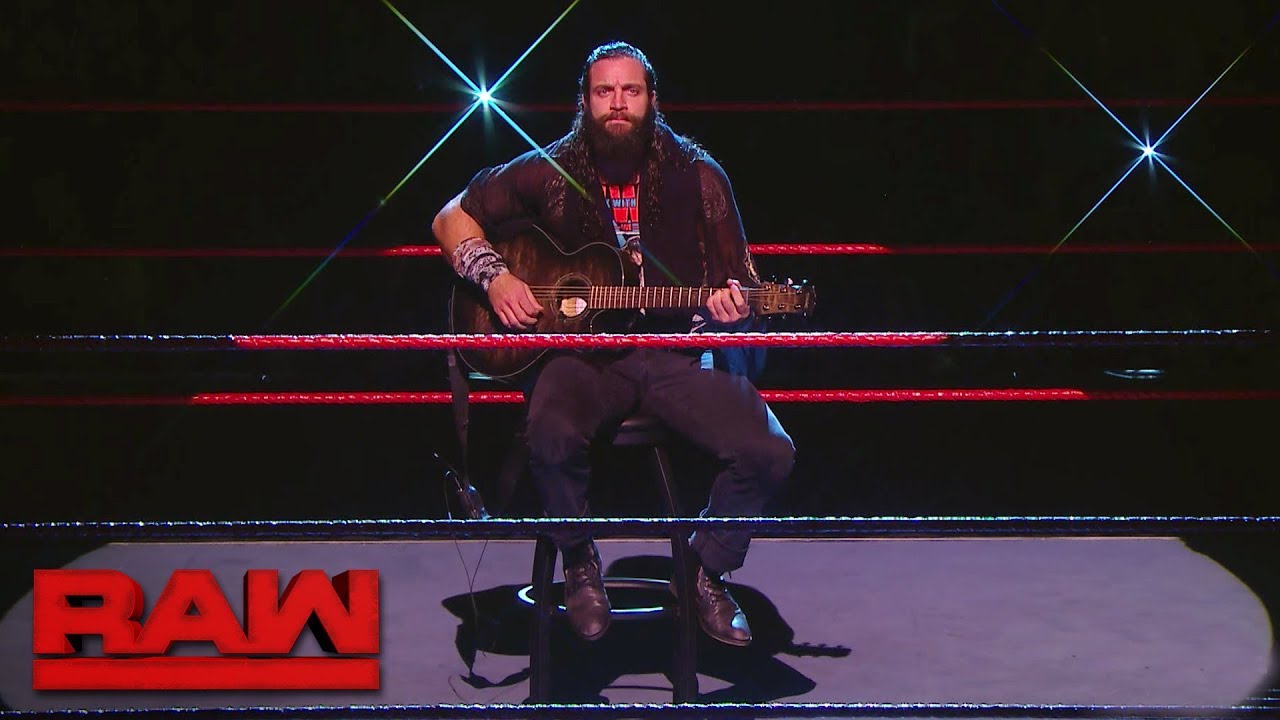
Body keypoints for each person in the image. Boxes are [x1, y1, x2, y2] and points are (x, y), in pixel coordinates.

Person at [431, 41, 794, 647]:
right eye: (605, 92)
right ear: (585, 102)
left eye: (631, 91)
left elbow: (744, 287)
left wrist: (735, 309)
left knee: (769, 449)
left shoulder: (700, 177)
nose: (618, 104)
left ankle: (703, 570)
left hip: (676, 357)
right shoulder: (550, 170)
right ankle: (578, 561)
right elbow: (450, 217)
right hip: (583, 358)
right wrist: (495, 278)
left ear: (652, 100)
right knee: (549, 433)